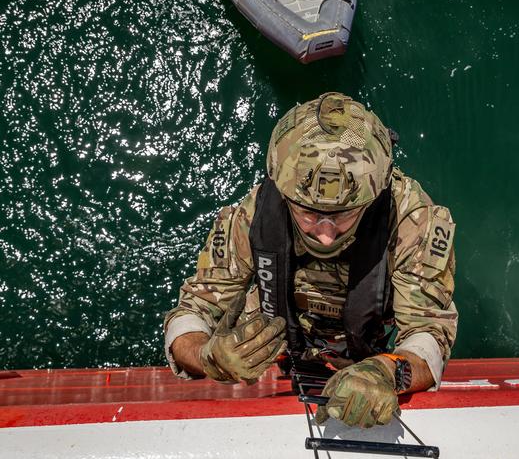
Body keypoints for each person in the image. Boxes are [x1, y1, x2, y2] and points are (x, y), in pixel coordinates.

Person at [164, 92, 458, 428]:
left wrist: (389, 370)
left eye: (343, 214)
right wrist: (207, 356)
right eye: (308, 213)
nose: (326, 234)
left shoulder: (411, 222)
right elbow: (190, 312)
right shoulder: (252, 216)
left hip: (366, 354)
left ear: (373, 196)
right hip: (271, 342)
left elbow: (429, 332)